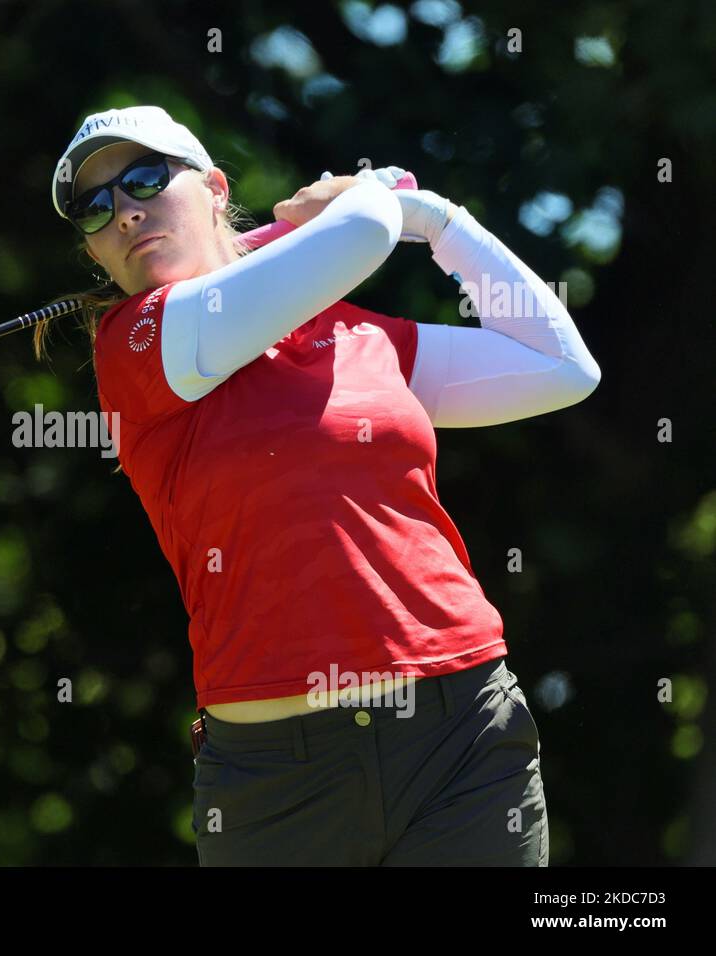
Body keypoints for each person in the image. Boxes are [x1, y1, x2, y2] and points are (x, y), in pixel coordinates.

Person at [39, 105, 602, 866]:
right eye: (94, 207)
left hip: (461, 735)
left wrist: (436, 220)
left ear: (213, 188)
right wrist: (376, 195)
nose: (126, 211)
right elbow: (360, 235)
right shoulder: (137, 344)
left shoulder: (356, 334)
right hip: (276, 778)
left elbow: (562, 366)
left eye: (144, 179)